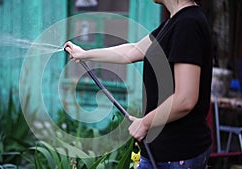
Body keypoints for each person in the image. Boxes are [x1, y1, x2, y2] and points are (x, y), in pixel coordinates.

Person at [64, 0, 213, 168]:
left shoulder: (188, 25)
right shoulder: (174, 22)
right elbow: (133, 50)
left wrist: (145, 123)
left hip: (178, 154)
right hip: (160, 151)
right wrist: (84, 54)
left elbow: (185, 99)